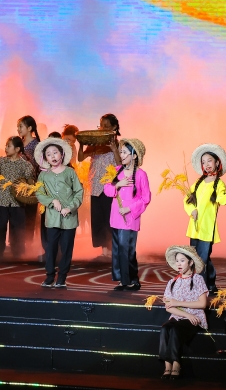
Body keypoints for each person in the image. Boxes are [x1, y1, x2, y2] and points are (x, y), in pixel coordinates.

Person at [184, 143, 226, 290]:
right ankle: (210, 283)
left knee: (202, 258)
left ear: (217, 162)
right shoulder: (198, 183)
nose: (206, 164)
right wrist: (192, 210)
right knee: (196, 257)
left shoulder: (219, 184)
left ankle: (201, 287)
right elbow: (187, 200)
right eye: (203, 162)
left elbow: (221, 199)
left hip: (207, 228)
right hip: (194, 227)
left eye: (209, 160)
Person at [35, 137, 84, 288]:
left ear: (62, 154)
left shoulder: (70, 172)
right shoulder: (43, 175)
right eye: (49, 154)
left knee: (66, 248)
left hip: (69, 218)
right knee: (51, 248)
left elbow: (79, 192)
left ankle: (62, 277)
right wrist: (52, 201)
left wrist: (70, 207)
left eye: (55, 152)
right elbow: (39, 193)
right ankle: (50, 276)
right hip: (52, 218)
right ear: (45, 158)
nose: (53, 156)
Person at [104, 138, 151, 291]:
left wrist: (129, 209)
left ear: (134, 155)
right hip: (116, 217)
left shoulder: (141, 175)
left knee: (127, 249)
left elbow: (146, 198)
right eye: (121, 152)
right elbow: (107, 189)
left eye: (124, 152)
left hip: (130, 218)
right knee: (117, 249)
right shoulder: (116, 170)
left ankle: (132, 280)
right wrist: (118, 184)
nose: (121, 155)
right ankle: (122, 280)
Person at [159, 245, 209, 379]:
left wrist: (178, 303)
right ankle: (167, 365)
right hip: (180, 316)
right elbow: (169, 307)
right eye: (177, 261)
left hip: (195, 317)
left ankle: (176, 364)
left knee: (175, 330)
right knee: (165, 329)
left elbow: (202, 304)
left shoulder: (198, 279)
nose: (179, 264)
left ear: (190, 262)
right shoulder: (172, 282)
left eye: (182, 261)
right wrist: (186, 314)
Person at [78, 114, 120, 259]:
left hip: (110, 187)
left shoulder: (118, 144)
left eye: (106, 126)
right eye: (101, 125)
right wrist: (81, 145)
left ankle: (113, 250)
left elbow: (120, 164)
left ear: (114, 127)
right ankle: (104, 251)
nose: (102, 128)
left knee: (110, 219)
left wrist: (114, 149)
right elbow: (81, 158)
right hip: (95, 186)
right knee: (98, 219)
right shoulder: (95, 144)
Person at [0, 136, 35, 261]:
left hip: (17, 201)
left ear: (17, 149)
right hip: (2, 199)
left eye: (9, 146)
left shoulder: (25, 165)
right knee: (0, 225)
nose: (6, 148)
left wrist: (30, 191)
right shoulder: (1, 161)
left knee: (17, 226)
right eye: (6, 145)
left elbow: (30, 181)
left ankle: (17, 251)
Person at [18, 116, 42, 246]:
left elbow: (40, 165)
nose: (18, 129)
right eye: (18, 127)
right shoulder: (18, 143)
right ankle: (17, 242)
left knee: (30, 213)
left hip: (32, 184)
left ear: (29, 128)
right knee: (18, 213)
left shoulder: (36, 145)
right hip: (18, 184)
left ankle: (27, 243)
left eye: (20, 126)